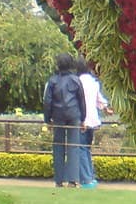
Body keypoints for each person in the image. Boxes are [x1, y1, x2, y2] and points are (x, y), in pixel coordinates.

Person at [43, 53, 86, 188]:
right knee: (74, 146)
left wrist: (47, 119)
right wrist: (83, 118)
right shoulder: (76, 80)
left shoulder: (53, 81)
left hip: (58, 116)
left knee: (58, 146)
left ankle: (59, 180)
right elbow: (81, 101)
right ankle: (73, 180)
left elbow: (47, 101)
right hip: (74, 115)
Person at [76, 57, 109, 190]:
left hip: (82, 121)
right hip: (93, 120)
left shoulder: (77, 82)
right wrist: (106, 107)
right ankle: (90, 176)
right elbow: (100, 101)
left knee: (81, 149)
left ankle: (86, 179)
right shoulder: (94, 82)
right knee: (86, 149)